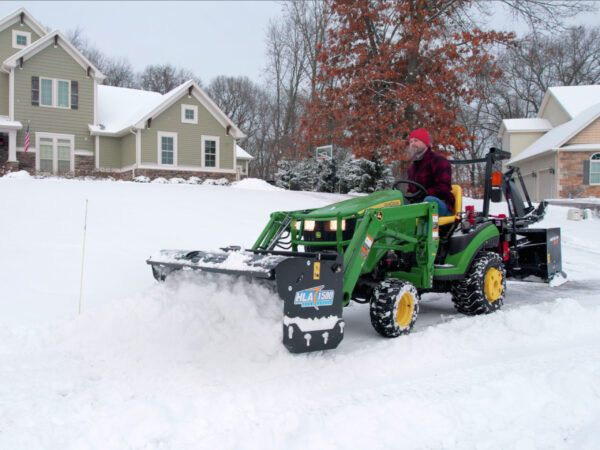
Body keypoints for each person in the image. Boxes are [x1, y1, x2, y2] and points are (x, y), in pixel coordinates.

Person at [406, 128, 454, 216]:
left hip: (440, 205)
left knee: (428, 201)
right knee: (398, 202)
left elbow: (443, 188)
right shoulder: (412, 168)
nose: (412, 144)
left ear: (425, 142)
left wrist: (421, 195)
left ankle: (429, 229)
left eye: (416, 140)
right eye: (411, 142)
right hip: (419, 205)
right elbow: (410, 190)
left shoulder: (438, 161)